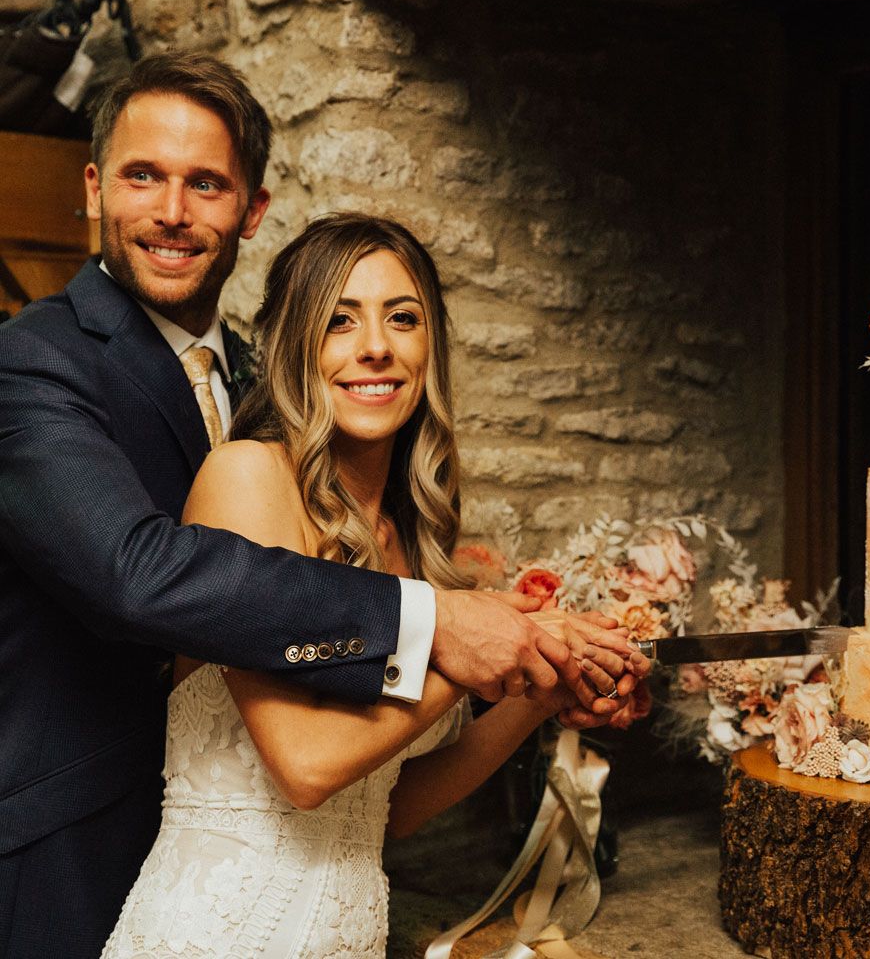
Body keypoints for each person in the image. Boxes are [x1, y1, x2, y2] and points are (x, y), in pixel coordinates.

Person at [0, 53, 645, 959]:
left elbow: (378, 801)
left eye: (207, 183)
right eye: (144, 176)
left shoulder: (265, 387)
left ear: (252, 208)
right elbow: (135, 573)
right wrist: (444, 628)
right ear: (96, 187)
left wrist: (537, 680)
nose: (174, 211)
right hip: (71, 845)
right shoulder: (33, 359)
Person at [101, 211, 632, 956]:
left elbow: (390, 807)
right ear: (297, 347)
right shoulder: (247, 478)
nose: (375, 346)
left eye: (402, 318)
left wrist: (535, 686)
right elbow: (305, 767)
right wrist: (470, 645)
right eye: (339, 321)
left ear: (430, 347)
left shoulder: (410, 539)